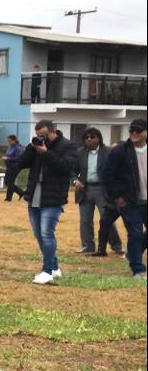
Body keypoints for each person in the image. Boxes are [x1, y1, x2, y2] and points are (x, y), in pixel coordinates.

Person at [18, 119, 79, 284]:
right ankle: (55, 266)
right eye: (38, 136)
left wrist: (46, 153)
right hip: (34, 196)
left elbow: (65, 167)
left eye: (44, 135)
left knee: (46, 233)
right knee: (39, 234)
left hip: (53, 197)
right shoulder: (36, 147)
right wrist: (32, 148)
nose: (41, 138)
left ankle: (47, 271)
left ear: (53, 131)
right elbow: (22, 163)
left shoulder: (68, 146)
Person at [99, 118, 147, 277]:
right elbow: (107, 175)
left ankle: (132, 255)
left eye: (138, 131)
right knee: (135, 232)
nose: (134, 133)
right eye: (132, 130)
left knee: (138, 235)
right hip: (129, 200)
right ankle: (138, 269)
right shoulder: (120, 151)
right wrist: (117, 197)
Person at [73, 127, 124, 257]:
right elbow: (72, 170)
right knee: (85, 220)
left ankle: (116, 246)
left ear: (99, 138)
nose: (89, 139)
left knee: (106, 218)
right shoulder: (79, 153)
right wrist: (75, 181)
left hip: (103, 189)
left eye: (92, 137)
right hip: (85, 189)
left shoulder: (107, 152)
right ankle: (88, 246)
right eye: (86, 137)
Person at [3, 134, 25, 201]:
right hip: (9, 166)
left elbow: (18, 158)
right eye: (8, 141)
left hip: (15, 166)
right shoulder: (10, 147)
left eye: (10, 141)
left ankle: (8, 198)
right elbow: (7, 154)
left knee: (10, 182)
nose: (9, 142)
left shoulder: (18, 148)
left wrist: (8, 158)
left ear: (14, 140)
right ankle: (21, 192)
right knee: (7, 182)